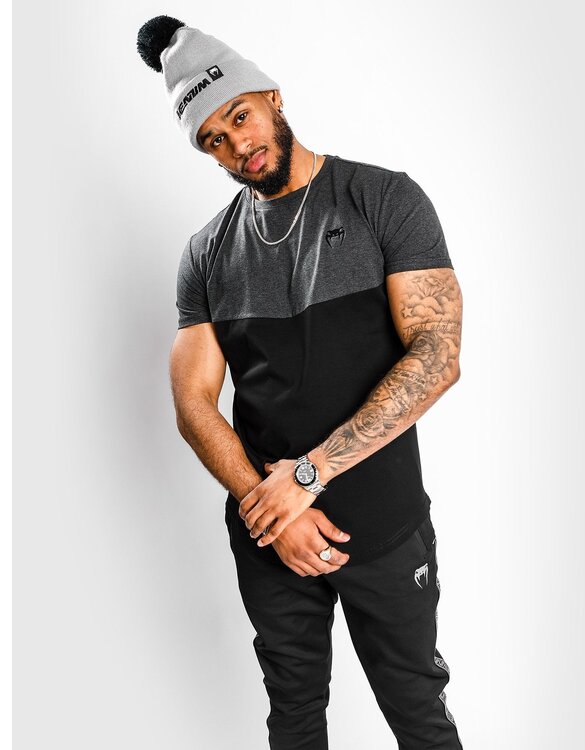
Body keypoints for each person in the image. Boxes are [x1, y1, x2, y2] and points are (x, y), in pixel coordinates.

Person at [137, 15, 465, 750]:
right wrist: (275, 510)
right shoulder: (206, 255)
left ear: (272, 97)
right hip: (270, 537)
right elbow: (193, 402)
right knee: (293, 718)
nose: (236, 145)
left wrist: (309, 476)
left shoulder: (383, 199)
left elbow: (438, 354)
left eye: (239, 117)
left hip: (382, 524)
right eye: (212, 140)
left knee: (417, 712)